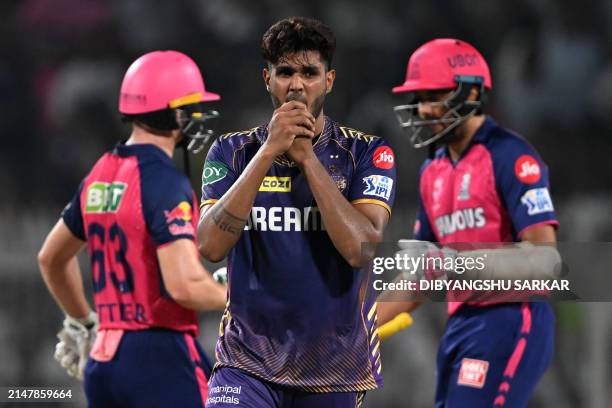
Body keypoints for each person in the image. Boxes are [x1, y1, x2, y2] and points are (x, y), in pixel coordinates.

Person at [197, 17, 396, 408]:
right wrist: (269, 151)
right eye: (285, 71)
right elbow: (209, 245)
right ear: (267, 79)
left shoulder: (367, 154)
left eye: (309, 72)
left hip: (335, 369)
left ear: (330, 80)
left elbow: (362, 249)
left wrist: (307, 158)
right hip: (246, 363)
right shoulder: (231, 152)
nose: (297, 84)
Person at [37, 50, 227, 408]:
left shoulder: (100, 173)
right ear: (173, 112)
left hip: (104, 360)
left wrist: (85, 324)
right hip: (161, 357)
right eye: (191, 108)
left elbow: (51, 258)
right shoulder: (164, 181)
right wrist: (238, 296)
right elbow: (184, 286)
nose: (196, 118)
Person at [378, 38, 559, 407]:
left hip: (509, 316)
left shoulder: (510, 155)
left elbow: (545, 259)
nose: (425, 110)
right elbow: (421, 275)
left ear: (471, 91)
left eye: (434, 96)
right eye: (420, 98)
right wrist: (358, 327)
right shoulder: (432, 171)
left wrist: (458, 262)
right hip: (461, 323)